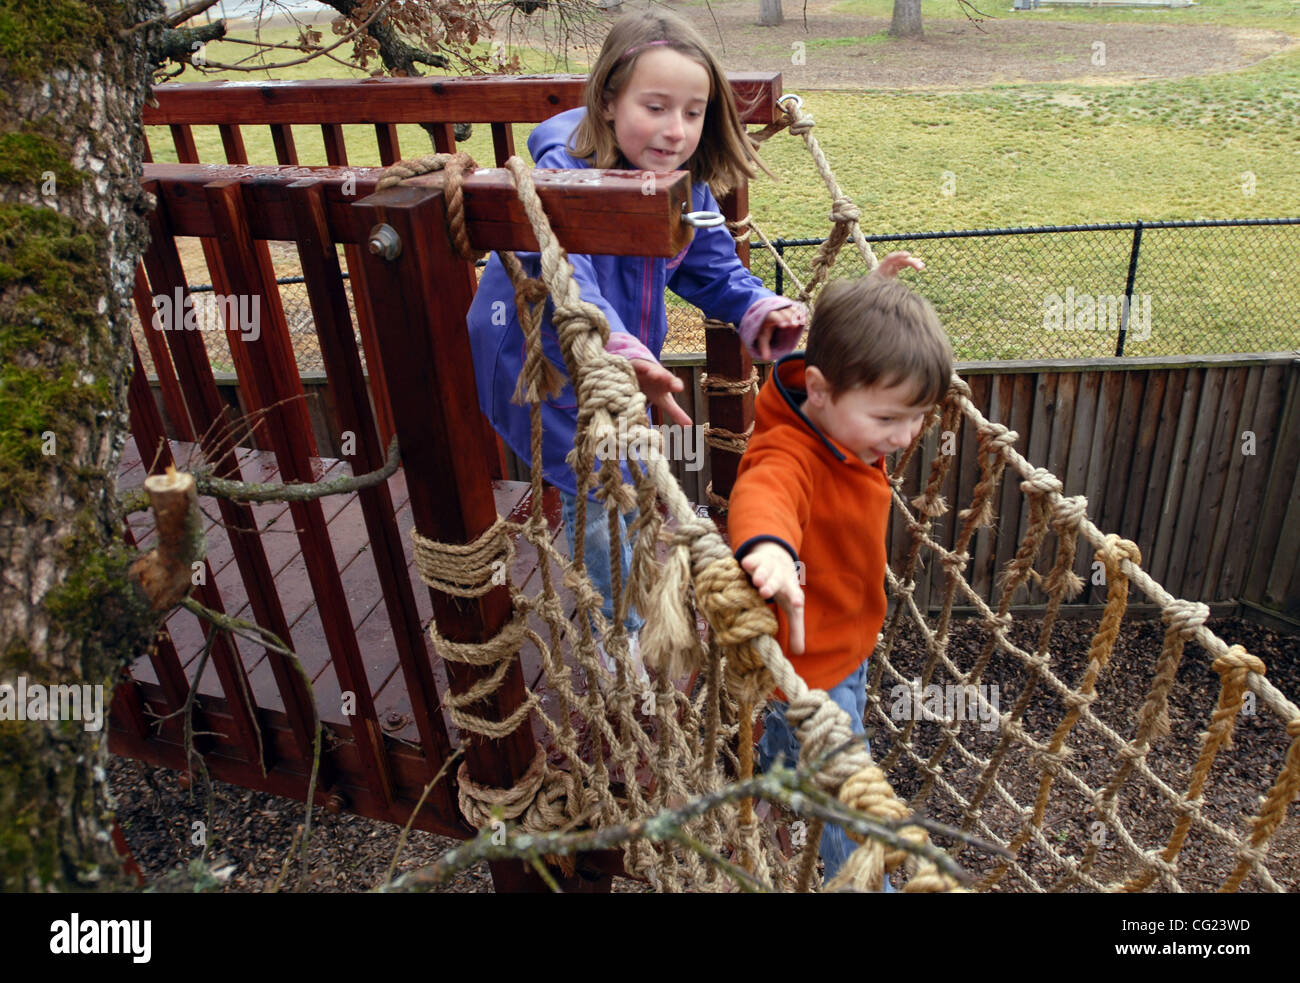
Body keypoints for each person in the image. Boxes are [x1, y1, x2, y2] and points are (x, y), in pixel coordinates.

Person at [467, 9, 808, 683]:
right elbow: (575, 283)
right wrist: (616, 345)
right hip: (544, 352)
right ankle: (611, 630)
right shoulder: (566, 177)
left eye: (693, 111)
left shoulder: (684, 179)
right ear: (609, 101)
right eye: (655, 107)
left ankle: (626, 581)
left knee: (619, 478)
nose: (676, 129)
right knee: (601, 480)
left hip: (618, 350)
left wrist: (756, 306)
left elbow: (710, 265)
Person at [728, 258, 954, 886]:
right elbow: (765, 492)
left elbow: (852, 350)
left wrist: (873, 293)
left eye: (917, 419)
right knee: (845, 800)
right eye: (889, 419)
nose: (906, 436)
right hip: (810, 666)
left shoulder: (843, 421)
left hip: (841, 640)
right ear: (820, 389)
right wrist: (769, 547)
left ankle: (773, 776)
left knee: (790, 738)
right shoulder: (791, 449)